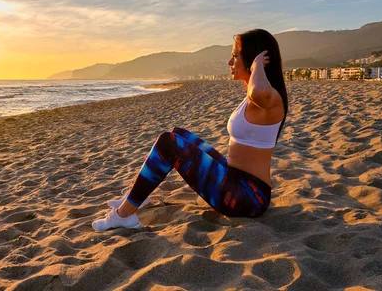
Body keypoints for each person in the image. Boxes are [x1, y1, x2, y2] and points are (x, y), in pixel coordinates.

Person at [92, 29, 288, 231]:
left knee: (168, 143)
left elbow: (258, 91)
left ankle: (124, 215)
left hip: (248, 197)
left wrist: (256, 66)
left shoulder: (270, 98)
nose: (230, 62)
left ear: (254, 61)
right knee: (178, 134)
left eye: (235, 56)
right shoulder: (255, 97)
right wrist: (253, 67)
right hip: (234, 179)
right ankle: (138, 197)